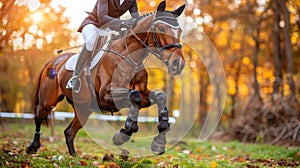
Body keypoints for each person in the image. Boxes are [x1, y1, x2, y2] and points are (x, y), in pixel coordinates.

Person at [66, 0, 140, 93]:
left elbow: (137, 18)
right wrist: (122, 23)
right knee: (91, 41)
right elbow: (102, 17)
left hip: (110, 28)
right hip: (93, 25)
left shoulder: (131, 1)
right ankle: (75, 77)